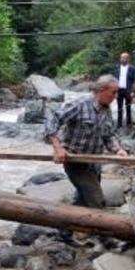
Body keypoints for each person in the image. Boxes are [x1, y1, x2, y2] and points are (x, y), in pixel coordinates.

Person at [44, 75, 128, 209]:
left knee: (84, 199)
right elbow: (53, 119)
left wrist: (118, 149)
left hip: (94, 163)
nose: (116, 96)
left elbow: (108, 135)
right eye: (113, 92)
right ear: (101, 90)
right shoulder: (80, 104)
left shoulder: (106, 109)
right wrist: (58, 148)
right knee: (96, 201)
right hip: (75, 161)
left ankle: (69, 220)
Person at [114, 52, 135, 128]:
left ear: (128, 59)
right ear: (120, 59)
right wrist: (115, 92)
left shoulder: (132, 68)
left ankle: (129, 123)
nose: (123, 59)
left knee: (128, 107)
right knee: (119, 108)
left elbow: (134, 81)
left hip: (128, 90)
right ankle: (119, 124)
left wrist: (133, 91)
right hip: (119, 90)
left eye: (125, 58)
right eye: (122, 57)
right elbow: (115, 80)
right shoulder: (117, 67)